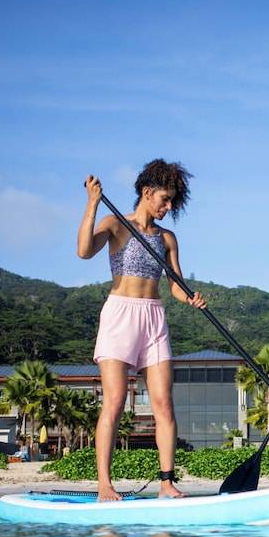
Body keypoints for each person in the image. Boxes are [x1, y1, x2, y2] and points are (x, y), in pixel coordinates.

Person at [78, 160, 206, 501]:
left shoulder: (167, 239)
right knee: (116, 402)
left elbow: (175, 285)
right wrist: (92, 204)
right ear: (147, 192)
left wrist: (190, 296)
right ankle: (104, 484)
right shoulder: (116, 225)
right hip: (120, 315)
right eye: (164, 200)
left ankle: (167, 482)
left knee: (164, 404)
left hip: (154, 317)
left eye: (172, 203)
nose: (168, 208)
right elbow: (84, 251)